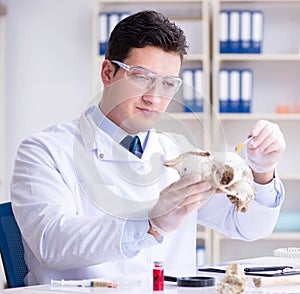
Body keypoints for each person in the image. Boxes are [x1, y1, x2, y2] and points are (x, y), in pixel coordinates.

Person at [11, 10, 286, 286]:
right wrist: (150, 223)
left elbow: (248, 227)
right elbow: (50, 242)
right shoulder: (44, 152)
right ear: (108, 73)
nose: (155, 97)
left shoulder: (178, 154)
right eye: (141, 76)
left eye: (168, 84)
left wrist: (262, 172)